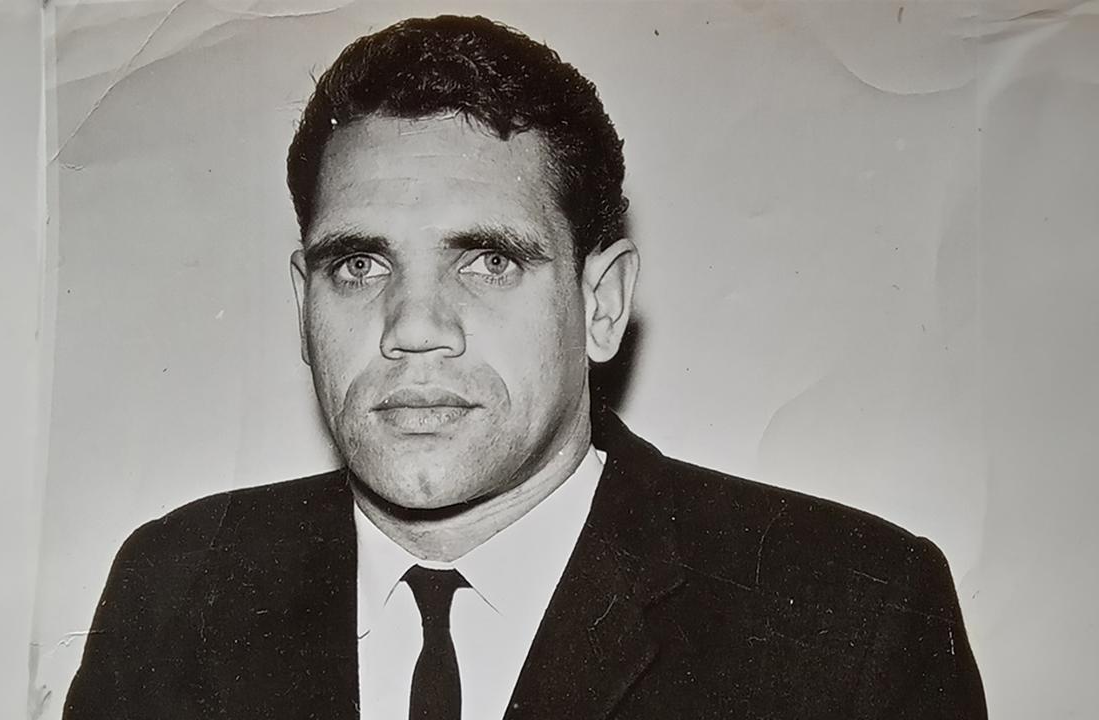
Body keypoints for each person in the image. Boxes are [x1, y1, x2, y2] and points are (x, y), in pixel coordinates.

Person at [64, 14, 985, 720]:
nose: (413, 328)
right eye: (360, 264)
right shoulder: (178, 586)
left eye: (489, 260)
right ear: (303, 303)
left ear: (602, 304)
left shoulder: (848, 618)